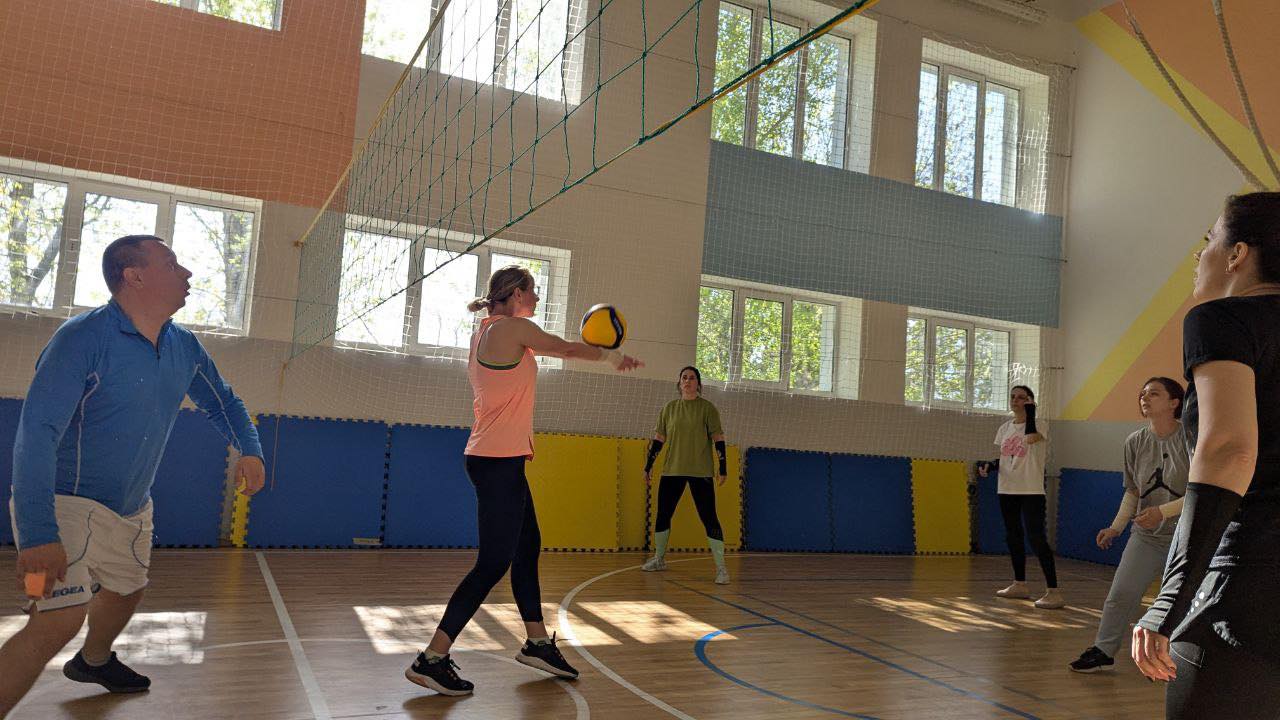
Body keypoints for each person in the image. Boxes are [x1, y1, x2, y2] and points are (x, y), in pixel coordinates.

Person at [0, 235, 265, 717]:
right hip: (63, 504)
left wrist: (249, 448)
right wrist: (38, 535)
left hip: (131, 507)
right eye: (172, 263)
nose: (187, 273)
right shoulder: (81, 339)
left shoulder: (184, 345)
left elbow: (224, 402)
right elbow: (35, 435)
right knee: (56, 620)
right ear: (135, 276)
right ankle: (38, 596)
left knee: (128, 589)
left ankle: (93, 661)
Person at [405, 265, 642, 697]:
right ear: (516, 294)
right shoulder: (510, 328)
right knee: (492, 564)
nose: (537, 297)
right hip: (497, 462)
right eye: (533, 291)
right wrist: (611, 355)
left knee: (527, 546)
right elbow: (564, 348)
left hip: (499, 460)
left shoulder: (489, 331)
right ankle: (432, 659)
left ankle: (536, 643)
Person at [1131, 193, 1280, 718]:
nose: (1201, 254)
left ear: (1238, 253)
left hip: (1249, 583)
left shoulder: (1221, 320)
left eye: (1209, 240)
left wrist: (1171, 596)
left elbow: (1229, 449)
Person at [1069, 377, 1188, 673]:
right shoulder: (1135, 442)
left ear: (1174, 403)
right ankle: (1103, 650)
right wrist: (1116, 527)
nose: (1144, 398)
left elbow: (1201, 492)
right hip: (1147, 535)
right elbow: (1133, 490)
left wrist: (1163, 512)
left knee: (1186, 601)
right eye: (1143, 393)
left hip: (1187, 536)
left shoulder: (1191, 438)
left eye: (1154, 393)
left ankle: (1185, 658)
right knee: (1121, 593)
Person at [639, 366, 730, 584]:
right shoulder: (669, 408)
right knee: (663, 515)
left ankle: (721, 569)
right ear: (679, 383)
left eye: (692, 378)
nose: (688, 381)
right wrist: (648, 465)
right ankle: (659, 559)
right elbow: (659, 439)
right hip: (672, 470)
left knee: (709, 518)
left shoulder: (707, 409)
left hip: (701, 472)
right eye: (684, 378)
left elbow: (718, 439)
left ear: (698, 384)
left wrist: (723, 467)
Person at [978, 385, 1063, 609]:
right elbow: (1008, 457)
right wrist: (990, 466)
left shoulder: (1039, 424)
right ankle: (1019, 584)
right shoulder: (1005, 428)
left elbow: (1032, 438)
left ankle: (1053, 591)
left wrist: (1032, 412)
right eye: (1013, 397)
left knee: (1036, 538)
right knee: (1013, 537)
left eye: (1021, 397)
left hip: (1031, 490)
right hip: (1007, 489)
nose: (1015, 400)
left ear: (1030, 402)